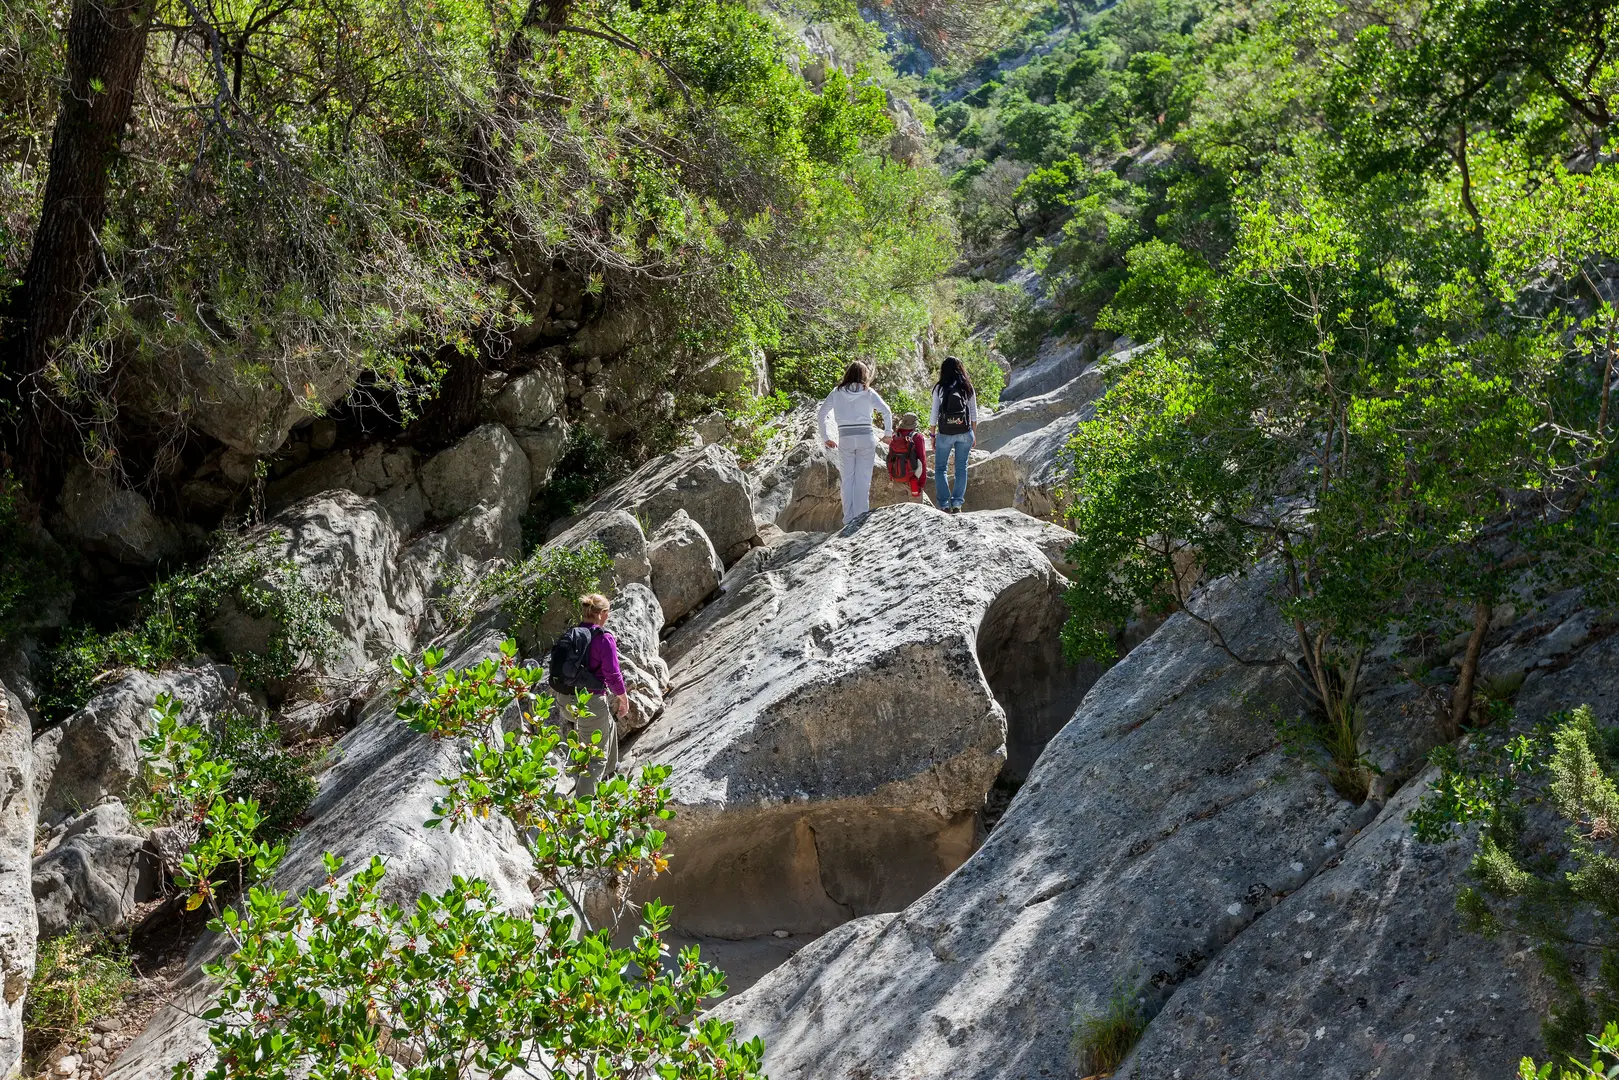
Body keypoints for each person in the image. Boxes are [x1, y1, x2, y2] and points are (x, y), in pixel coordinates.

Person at [547, 592, 628, 797]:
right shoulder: (603, 638)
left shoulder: (573, 634)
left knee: (607, 725)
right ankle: (581, 818)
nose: (608, 617)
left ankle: (608, 777)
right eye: (607, 612)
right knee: (595, 758)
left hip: (565, 701)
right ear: (601, 614)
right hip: (589, 702)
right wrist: (623, 697)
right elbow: (612, 674)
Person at [816, 361, 894, 526]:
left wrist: (826, 437)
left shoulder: (836, 392)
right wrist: (888, 434)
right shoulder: (868, 392)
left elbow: (821, 413)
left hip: (845, 438)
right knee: (863, 480)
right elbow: (886, 411)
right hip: (866, 437)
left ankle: (848, 519)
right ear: (864, 375)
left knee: (847, 479)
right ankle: (860, 518)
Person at [928, 356, 979, 514]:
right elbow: (974, 414)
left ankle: (944, 504)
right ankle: (957, 504)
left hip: (945, 433)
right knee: (961, 468)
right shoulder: (967, 386)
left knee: (940, 469)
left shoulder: (940, 387)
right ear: (960, 369)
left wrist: (932, 435)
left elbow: (934, 413)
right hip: (964, 432)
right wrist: (973, 434)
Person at [887, 411, 928, 498]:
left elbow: (890, 459)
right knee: (916, 509)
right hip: (913, 480)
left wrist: (892, 477)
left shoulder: (895, 436)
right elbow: (922, 460)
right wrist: (921, 483)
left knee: (900, 510)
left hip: (897, 479)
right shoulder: (917, 437)